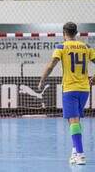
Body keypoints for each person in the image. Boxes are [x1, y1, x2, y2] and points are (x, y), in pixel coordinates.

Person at [38, 22, 95, 165]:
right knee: (74, 120)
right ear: (76, 33)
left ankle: (80, 154)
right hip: (85, 89)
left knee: (73, 120)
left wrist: (42, 80)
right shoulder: (86, 47)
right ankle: (75, 151)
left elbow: (51, 65)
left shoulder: (61, 47)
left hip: (70, 89)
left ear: (64, 33)